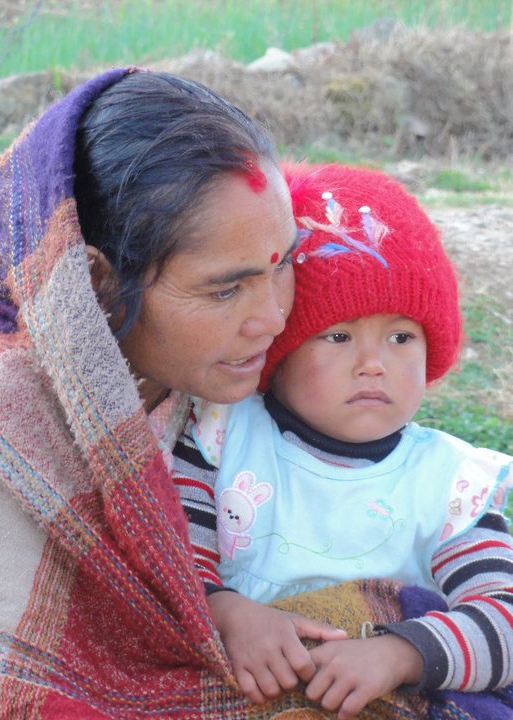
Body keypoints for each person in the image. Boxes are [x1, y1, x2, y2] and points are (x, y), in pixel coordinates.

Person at [0, 67, 354, 720]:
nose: (273, 317)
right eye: (224, 289)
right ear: (93, 283)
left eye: (284, 262)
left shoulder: (218, 382)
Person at [173, 162, 513, 719]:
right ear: (277, 351)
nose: (374, 364)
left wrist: (402, 653)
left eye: (402, 336)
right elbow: (171, 562)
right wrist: (226, 611)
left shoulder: (451, 486)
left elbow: (504, 618)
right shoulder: (222, 437)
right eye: (338, 335)